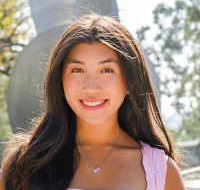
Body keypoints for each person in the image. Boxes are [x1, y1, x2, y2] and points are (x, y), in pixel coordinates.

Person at [0, 13, 185, 190]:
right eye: (77, 70)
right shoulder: (24, 165)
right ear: (60, 81)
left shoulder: (161, 172)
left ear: (130, 82)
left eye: (106, 70)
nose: (91, 87)